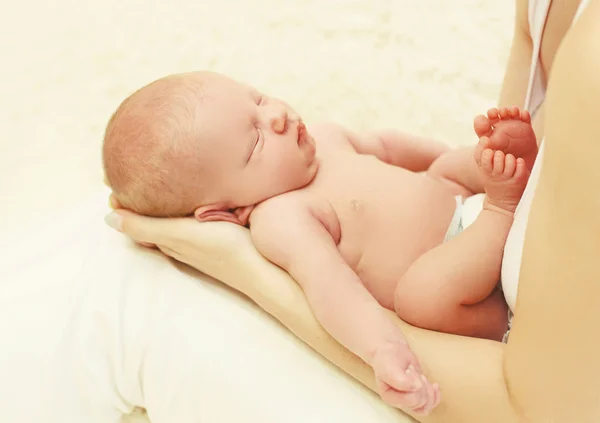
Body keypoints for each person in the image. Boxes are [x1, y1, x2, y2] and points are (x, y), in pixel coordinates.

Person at [104, 0, 600, 421]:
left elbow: (387, 145)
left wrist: (471, 157)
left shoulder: (324, 139)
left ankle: (508, 173)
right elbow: (331, 290)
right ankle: (503, 206)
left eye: (257, 99)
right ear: (224, 212)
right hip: (463, 276)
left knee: (447, 162)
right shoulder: (283, 216)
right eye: (254, 140)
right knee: (419, 298)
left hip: (460, 201)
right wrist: (381, 351)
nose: (276, 116)